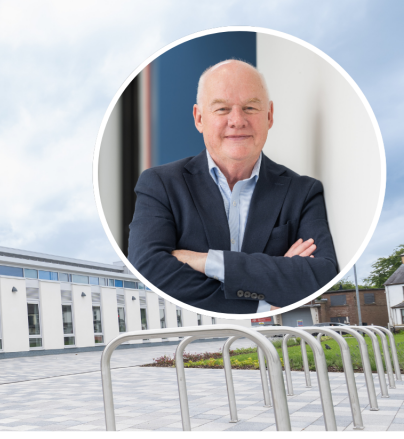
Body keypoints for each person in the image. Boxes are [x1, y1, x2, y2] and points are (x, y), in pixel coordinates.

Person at [127, 59, 337, 314]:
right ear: (199, 118)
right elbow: (150, 269)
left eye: (250, 107)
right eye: (222, 109)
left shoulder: (303, 192)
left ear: (269, 116)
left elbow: (321, 275)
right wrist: (264, 301)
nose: (237, 121)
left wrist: (205, 261)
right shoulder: (160, 184)